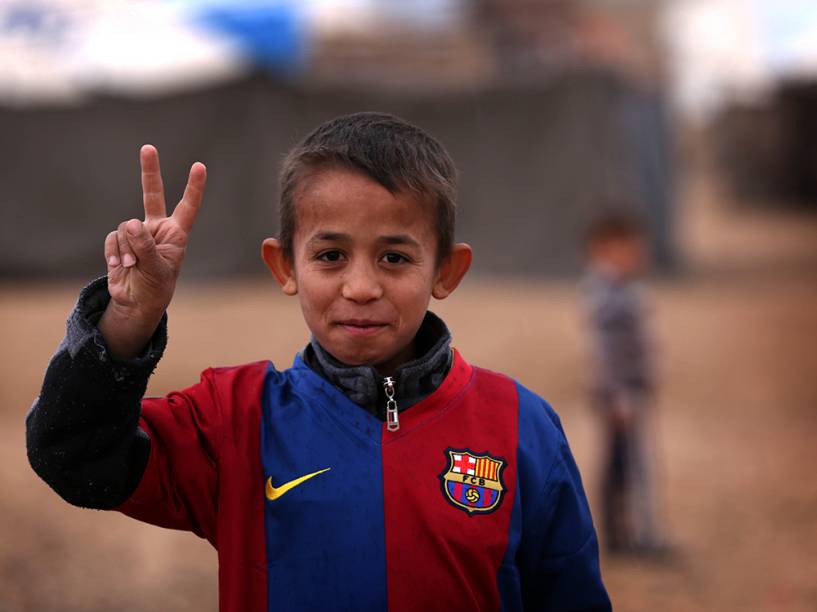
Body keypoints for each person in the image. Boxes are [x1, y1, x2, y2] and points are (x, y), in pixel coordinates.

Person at [27, 112, 611, 611]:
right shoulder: (236, 420)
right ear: (284, 267)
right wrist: (129, 318)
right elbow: (74, 456)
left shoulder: (519, 425)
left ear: (445, 272)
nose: (360, 286)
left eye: (394, 257)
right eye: (330, 255)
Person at [582, 211, 666, 556]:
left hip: (628, 390)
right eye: (627, 249)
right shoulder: (606, 294)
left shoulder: (622, 290)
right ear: (603, 250)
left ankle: (626, 534)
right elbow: (604, 351)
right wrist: (617, 394)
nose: (636, 255)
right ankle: (630, 536)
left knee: (625, 465)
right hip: (620, 394)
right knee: (628, 467)